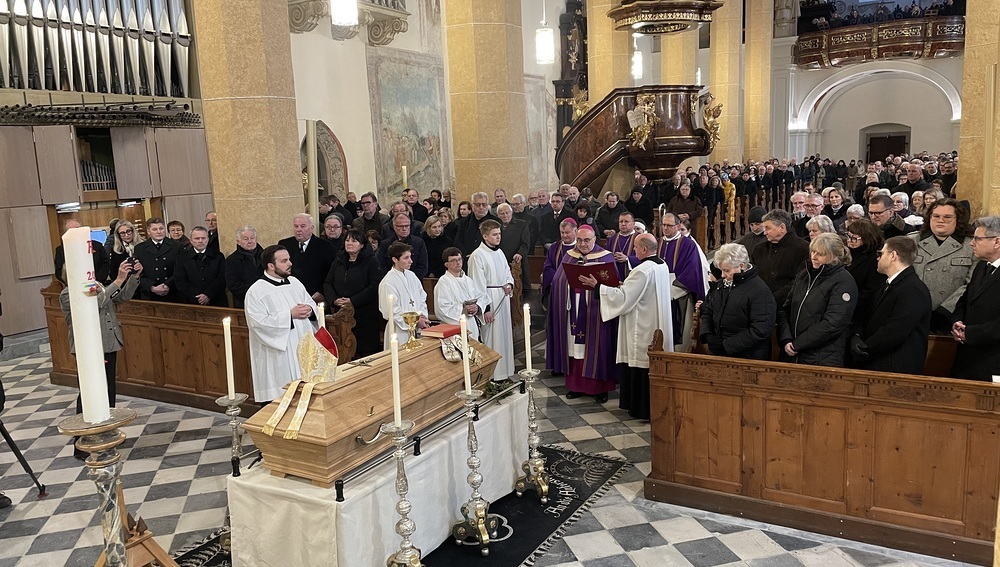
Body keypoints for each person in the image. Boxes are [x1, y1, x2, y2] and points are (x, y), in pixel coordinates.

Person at [580, 233, 672, 419]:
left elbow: (623, 297)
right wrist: (623, 285)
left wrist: (597, 287)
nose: (633, 250)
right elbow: (637, 290)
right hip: (656, 322)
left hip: (642, 326)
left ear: (645, 249)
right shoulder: (661, 265)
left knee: (641, 364)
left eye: (636, 247)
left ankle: (640, 409)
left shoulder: (642, 270)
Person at [59, 258, 141, 458]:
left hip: (107, 344)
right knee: (89, 395)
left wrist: (133, 277)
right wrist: (119, 279)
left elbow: (119, 297)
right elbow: (93, 303)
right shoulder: (67, 294)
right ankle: (82, 444)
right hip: (88, 348)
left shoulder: (97, 287)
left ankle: (106, 435)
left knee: (108, 392)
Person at [546, 225, 618, 402]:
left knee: (597, 347)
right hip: (574, 307)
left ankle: (600, 389)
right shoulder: (570, 256)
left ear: (595, 239)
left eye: (587, 240)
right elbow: (558, 281)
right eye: (579, 240)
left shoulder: (605, 257)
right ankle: (575, 385)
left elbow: (614, 284)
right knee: (575, 348)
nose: (583, 244)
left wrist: (597, 286)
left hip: (596, 310)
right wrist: (568, 286)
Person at [244, 245, 320, 403]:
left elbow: (311, 303)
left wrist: (310, 310)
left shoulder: (294, 282)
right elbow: (258, 323)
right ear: (271, 266)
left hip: (302, 346)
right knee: (282, 397)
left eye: (289, 259)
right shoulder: (256, 291)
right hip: (278, 354)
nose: (290, 263)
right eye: (284, 261)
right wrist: (290, 315)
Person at [850, 236, 931, 374]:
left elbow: (896, 330)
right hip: (879, 362)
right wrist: (857, 335)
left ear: (893, 255)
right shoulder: (888, 284)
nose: (877, 258)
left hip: (895, 367)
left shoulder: (912, 289)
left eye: (881, 254)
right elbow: (870, 316)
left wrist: (865, 347)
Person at [778, 233, 858, 366]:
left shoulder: (844, 281)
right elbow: (785, 309)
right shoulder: (804, 275)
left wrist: (798, 344)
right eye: (813, 252)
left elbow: (833, 323)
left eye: (820, 254)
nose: (813, 257)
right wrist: (786, 339)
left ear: (833, 256)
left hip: (822, 356)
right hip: (791, 352)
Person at [699, 243, 776, 360]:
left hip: (747, 356)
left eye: (726, 270)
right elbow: (709, 310)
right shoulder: (722, 284)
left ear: (741, 266)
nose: (723, 275)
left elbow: (760, 329)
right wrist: (708, 335)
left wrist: (726, 345)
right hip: (719, 352)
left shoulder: (760, 291)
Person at [909, 199, 975, 332]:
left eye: (947, 217)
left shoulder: (972, 246)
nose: (941, 220)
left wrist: (945, 311)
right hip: (912, 313)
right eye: (936, 216)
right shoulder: (911, 242)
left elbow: (971, 284)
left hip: (949, 317)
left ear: (958, 220)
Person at [949, 216, 1000, 381]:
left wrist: (970, 333)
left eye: (978, 239)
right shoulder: (981, 266)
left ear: (997, 242)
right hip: (967, 357)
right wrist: (957, 322)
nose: (972, 243)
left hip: (993, 359)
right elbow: (966, 299)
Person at [323, 229, 383, 358]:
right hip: (340, 312)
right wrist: (334, 300)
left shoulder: (371, 261)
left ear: (362, 244)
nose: (349, 243)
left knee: (363, 352)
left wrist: (352, 301)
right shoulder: (339, 260)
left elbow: (374, 286)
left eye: (354, 240)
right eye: (347, 240)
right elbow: (327, 282)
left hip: (363, 314)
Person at [467, 220, 515, 381]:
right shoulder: (477, 256)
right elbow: (477, 285)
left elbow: (508, 272)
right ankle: (492, 376)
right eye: (495, 235)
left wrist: (509, 283)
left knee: (504, 337)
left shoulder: (499, 253)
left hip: (502, 297)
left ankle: (505, 372)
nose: (498, 237)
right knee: (492, 338)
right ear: (485, 236)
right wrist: (485, 309)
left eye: (499, 234)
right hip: (490, 302)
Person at [657, 213, 709, 351]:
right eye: (663, 225)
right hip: (658, 292)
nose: (665, 228)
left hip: (679, 292)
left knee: (680, 332)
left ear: (678, 226)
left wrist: (672, 286)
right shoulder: (658, 242)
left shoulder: (688, 244)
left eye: (669, 225)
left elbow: (693, 269)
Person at [752, 209, 809, 306]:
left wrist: (772, 299)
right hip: (759, 302)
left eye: (768, 228)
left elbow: (799, 281)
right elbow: (753, 276)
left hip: (788, 304)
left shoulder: (803, 249)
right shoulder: (759, 249)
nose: (765, 232)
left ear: (782, 227)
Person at [378, 241, 430, 347]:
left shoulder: (411, 275)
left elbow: (422, 297)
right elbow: (391, 311)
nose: (410, 261)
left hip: (417, 328)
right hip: (398, 331)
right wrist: (414, 322)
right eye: (406, 258)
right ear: (395, 259)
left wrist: (422, 317)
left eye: (410, 257)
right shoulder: (388, 282)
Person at [434, 247, 491, 341]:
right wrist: (463, 309)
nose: (458, 263)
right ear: (446, 264)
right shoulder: (443, 282)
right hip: (455, 327)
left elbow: (482, 297)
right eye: (453, 260)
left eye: (459, 259)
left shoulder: (468, 280)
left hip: (472, 325)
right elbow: (441, 309)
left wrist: (477, 306)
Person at [278, 213, 336, 302]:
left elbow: (331, 273)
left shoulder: (325, 246)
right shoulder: (284, 245)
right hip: (290, 296)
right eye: (296, 226)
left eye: (303, 226)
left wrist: (322, 292)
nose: (298, 230)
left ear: (311, 228)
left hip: (314, 296)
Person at [844, 218, 886, 322]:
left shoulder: (875, 259)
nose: (849, 241)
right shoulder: (845, 253)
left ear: (867, 239)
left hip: (859, 311)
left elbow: (870, 291)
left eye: (854, 238)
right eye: (848, 236)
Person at [174, 226, 228, 306]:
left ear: (208, 239)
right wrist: (199, 296)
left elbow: (222, 278)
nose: (200, 241)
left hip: (216, 300)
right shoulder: (182, 258)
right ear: (191, 240)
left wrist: (208, 294)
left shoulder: (218, 256)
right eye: (197, 238)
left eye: (203, 238)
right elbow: (180, 281)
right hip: (191, 302)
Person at [134, 217, 180, 302]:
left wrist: (167, 285)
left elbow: (181, 270)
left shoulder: (177, 246)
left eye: (161, 228)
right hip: (150, 295)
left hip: (172, 293)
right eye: (155, 229)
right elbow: (138, 273)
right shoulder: (140, 248)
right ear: (148, 231)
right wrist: (152, 288)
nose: (159, 232)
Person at [54, 219, 111, 286]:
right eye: (72, 230)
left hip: (97, 284)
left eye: (78, 228)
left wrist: (97, 281)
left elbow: (105, 264)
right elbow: (59, 272)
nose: (77, 232)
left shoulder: (97, 246)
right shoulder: (61, 250)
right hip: (74, 286)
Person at [377, 212, 429, 278]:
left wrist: (408, 278)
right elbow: (381, 266)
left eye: (407, 226)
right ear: (394, 226)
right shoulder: (385, 244)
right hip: (392, 281)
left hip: (414, 281)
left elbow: (423, 267)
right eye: (400, 226)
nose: (404, 229)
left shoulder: (419, 243)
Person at [453, 192, 501, 258]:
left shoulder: (495, 221)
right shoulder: (464, 222)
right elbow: (458, 241)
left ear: (487, 206)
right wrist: (468, 254)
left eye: (484, 205)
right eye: (478, 205)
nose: (481, 207)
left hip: (488, 257)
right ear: (473, 206)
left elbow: (498, 242)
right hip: (468, 257)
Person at [226, 225, 264, 309]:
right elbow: (233, 284)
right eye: (246, 239)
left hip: (267, 299)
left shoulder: (266, 256)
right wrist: (253, 294)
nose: (250, 241)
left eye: (252, 238)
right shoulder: (231, 260)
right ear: (238, 241)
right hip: (245, 302)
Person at [541, 219, 578, 303]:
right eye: (562, 232)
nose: (564, 235)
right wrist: (560, 279)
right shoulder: (554, 248)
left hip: (576, 290)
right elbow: (547, 267)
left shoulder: (581, 247)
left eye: (567, 232)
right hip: (557, 287)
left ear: (575, 231)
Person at [496, 204, 530, 289]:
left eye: (507, 213)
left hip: (517, 261)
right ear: (498, 215)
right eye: (502, 213)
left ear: (511, 213)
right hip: (500, 261)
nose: (505, 215)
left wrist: (520, 253)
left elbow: (525, 243)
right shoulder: (495, 226)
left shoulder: (521, 224)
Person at [605, 212, 639, 281]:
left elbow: (645, 258)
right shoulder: (612, 239)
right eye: (621, 222)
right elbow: (605, 255)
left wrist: (627, 259)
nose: (623, 224)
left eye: (626, 221)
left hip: (634, 278)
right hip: (615, 277)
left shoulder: (640, 238)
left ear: (633, 223)